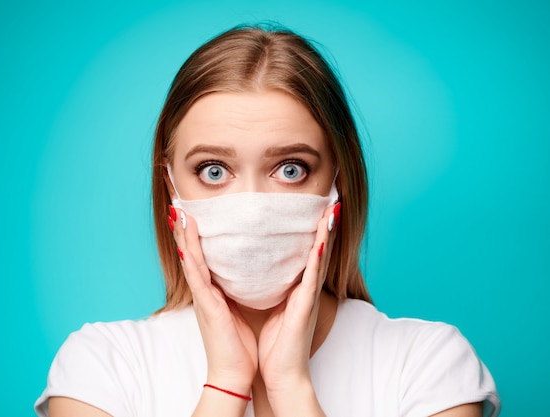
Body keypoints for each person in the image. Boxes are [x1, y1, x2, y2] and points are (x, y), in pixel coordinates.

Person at [35, 25, 500, 417]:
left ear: (339, 184)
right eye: (213, 171)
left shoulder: (431, 366)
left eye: (291, 169)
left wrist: (291, 388)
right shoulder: (100, 369)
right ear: (170, 192)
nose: (252, 205)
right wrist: (226, 385)